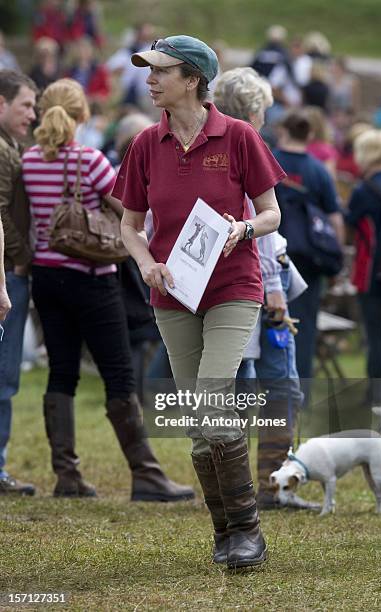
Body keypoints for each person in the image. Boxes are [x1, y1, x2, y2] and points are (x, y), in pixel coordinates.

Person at [114, 35, 285, 569]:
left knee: (212, 399)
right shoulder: (144, 142)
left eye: (160, 71)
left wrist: (244, 227)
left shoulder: (237, 136)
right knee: (199, 422)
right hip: (171, 294)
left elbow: (272, 213)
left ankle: (248, 533)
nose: (149, 79)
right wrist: (145, 264)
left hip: (234, 285)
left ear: (192, 79)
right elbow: (128, 224)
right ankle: (225, 531)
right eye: (148, 70)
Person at [22, 78, 194, 503]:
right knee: (117, 373)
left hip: (45, 279)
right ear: (83, 116)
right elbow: (130, 211)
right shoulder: (90, 160)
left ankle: (67, 475)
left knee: (62, 372)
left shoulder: (28, 160)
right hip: (92, 278)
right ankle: (146, 475)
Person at [214, 67, 319, 512]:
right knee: (279, 387)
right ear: (254, 110)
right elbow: (262, 227)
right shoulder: (247, 144)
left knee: (243, 389)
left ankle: (242, 488)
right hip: (257, 285)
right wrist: (275, 287)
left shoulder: (217, 146)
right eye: (265, 108)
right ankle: (269, 487)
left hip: (233, 285)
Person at [273, 110, 344, 385]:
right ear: (310, 135)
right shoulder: (318, 171)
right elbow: (335, 218)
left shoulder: (270, 161)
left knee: (266, 320)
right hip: (310, 258)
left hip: (270, 252)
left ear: (283, 132)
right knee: (304, 325)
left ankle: (264, 387)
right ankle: (299, 390)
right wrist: (335, 256)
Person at [0, 70, 37, 495]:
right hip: (7, 273)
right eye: (25, 105)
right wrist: (24, 260)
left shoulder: (11, 145)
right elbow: (0, 215)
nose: (33, 113)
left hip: (10, 270)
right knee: (4, 376)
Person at [346, 129, 381, 405]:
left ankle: (376, 396)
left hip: (372, 273)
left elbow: (351, 228)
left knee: (375, 335)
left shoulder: (364, 190)